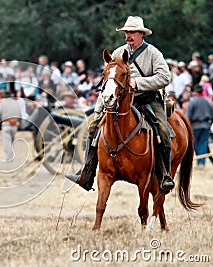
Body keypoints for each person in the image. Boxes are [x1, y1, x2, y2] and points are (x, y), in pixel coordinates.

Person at [66, 16, 174, 194]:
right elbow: (109, 82)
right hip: (121, 100)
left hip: (148, 98)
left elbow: (165, 77)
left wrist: (138, 84)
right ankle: (86, 172)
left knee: (162, 129)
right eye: (126, 32)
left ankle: (165, 175)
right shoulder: (118, 53)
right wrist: (99, 110)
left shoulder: (153, 53)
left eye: (132, 32)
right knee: (94, 126)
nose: (128, 36)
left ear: (141, 34)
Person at [0, 90, 22, 162]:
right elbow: (20, 115)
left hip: (6, 124)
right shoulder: (17, 103)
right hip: (15, 125)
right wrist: (21, 124)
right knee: (11, 142)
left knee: (7, 143)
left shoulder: (2, 104)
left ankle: (9, 158)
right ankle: (11, 156)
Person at [185, 85, 213, 167]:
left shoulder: (193, 101)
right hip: (206, 125)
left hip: (195, 126)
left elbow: (187, 116)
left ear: (195, 92)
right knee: (203, 144)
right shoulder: (207, 101)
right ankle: (201, 163)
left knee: (195, 144)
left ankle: (197, 162)